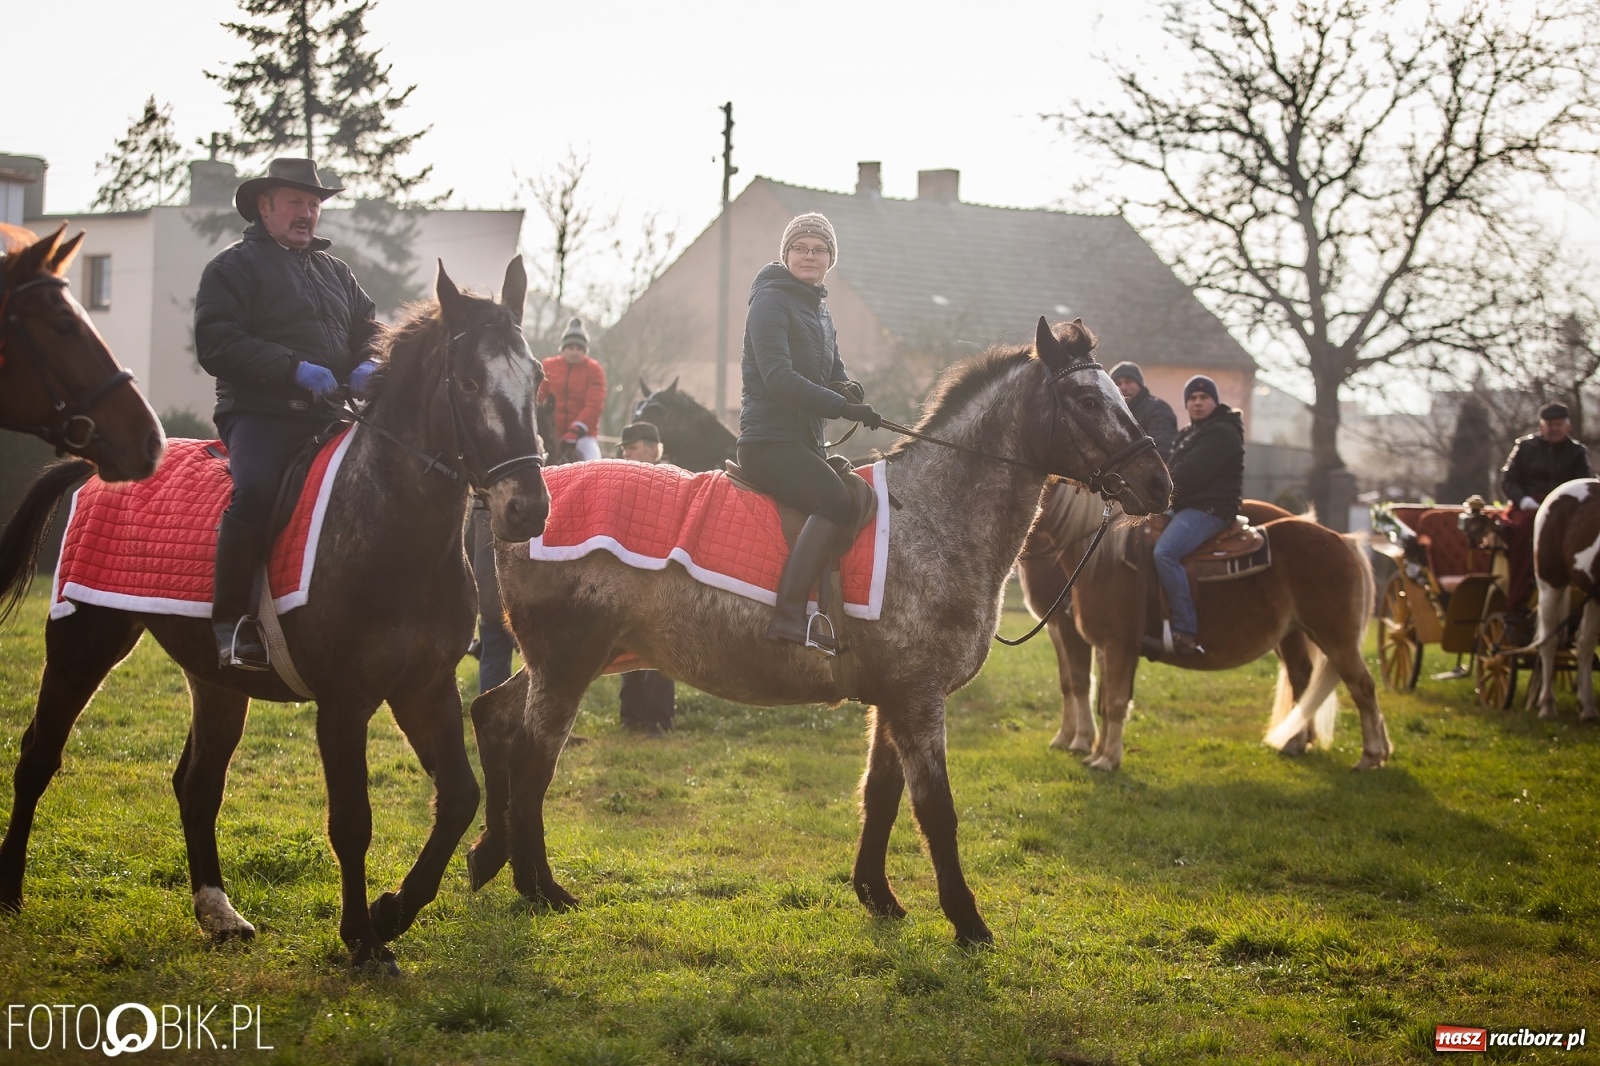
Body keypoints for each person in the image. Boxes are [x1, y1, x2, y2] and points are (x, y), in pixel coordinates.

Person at [194, 157, 381, 671]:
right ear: (265, 206)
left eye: (314, 205)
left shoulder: (336, 271)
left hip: (330, 414)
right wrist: (292, 368)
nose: (307, 213)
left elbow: (370, 328)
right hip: (260, 413)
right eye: (296, 202)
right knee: (254, 490)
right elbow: (215, 342)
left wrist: (371, 361)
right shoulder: (232, 268)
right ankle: (231, 625)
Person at [737, 212, 880, 654]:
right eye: (801, 248)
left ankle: (836, 610)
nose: (810, 255)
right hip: (768, 443)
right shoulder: (770, 303)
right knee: (835, 501)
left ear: (830, 260)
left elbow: (833, 373)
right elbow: (778, 377)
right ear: (786, 254)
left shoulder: (819, 310)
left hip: (805, 443)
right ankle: (788, 617)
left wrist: (848, 388)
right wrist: (841, 405)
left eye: (819, 250)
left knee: (859, 495)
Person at [1151, 375, 1244, 657]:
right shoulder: (1189, 433)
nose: (1198, 402)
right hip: (1185, 507)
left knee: (1165, 552)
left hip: (1209, 510)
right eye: (1192, 398)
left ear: (1215, 402)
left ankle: (1185, 631)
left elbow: (1188, 476)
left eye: (1204, 398)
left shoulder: (1221, 432)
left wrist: (1155, 495)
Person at [1500, 401, 1591, 626]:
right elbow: (1509, 480)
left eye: (1558, 424)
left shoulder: (1577, 453)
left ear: (1567, 426)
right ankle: (1520, 595)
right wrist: (1524, 500)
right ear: (1541, 427)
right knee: (1524, 531)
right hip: (1529, 506)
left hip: (1566, 509)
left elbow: (1585, 484)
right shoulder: (1525, 448)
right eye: (1549, 424)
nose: (1554, 428)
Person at [616, 421, 677, 731]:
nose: (627, 453)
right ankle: (632, 715)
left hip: (661, 573)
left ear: (654, 449)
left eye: (633, 447)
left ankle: (659, 717)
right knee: (629, 643)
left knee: (660, 649)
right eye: (625, 449)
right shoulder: (622, 482)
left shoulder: (673, 481)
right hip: (629, 571)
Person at [540, 317, 606, 462]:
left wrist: (576, 429)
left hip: (583, 435)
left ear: (585, 351)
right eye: (570, 348)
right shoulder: (548, 366)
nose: (574, 352)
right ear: (563, 348)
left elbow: (594, 405)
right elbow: (538, 397)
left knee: (594, 463)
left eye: (579, 349)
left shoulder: (595, 370)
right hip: (550, 433)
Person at [1109, 361, 1178, 461]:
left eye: (1128, 382)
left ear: (1140, 384)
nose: (1123, 387)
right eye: (1117, 383)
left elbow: (1163, 449)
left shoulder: (1157, 409)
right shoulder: (1111, 412)